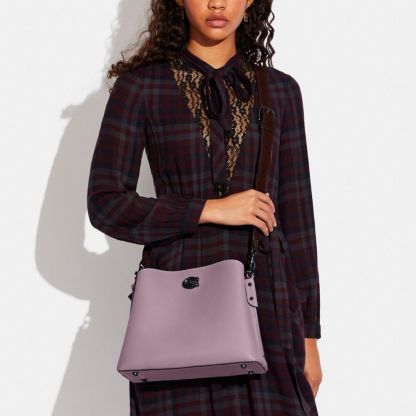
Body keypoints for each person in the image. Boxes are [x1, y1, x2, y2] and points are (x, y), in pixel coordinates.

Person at [87, 0, 323, 414]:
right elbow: (106, 203)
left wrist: (310, 336)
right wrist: (208, 210)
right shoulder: (142, 88)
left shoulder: (280, 90)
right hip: (179, 304)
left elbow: (298, 219)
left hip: (268, 304)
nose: (217, 3)